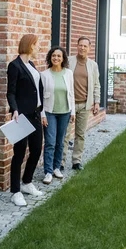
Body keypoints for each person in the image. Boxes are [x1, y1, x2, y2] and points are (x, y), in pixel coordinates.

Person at [6, 34, 46, 206]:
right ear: (30, 46)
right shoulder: (14, 66)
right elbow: (11, 92)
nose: (38, 48)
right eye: (37, 45)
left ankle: (27, 182)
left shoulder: (31, 65)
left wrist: (42, 111)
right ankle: (15, 191)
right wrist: (14, 109)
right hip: (21, 116)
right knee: (19, 153)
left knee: (37, 150)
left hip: (36, 114)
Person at [63, 36, 100, 171]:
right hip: (69, 104)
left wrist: (96, 102)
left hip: (85, 104)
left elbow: (96, 85)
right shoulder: (69, 61)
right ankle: (61, 161)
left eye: (85, 46)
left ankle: (76, 161)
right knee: (65, 134)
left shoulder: (93, 65)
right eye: (80, 45)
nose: (82, 48)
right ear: (77, 46)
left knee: (80, 134)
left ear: (89, 48)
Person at [40, 46, 76, 184]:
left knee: (60, 142)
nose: (56, 58)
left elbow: (71, 93)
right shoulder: (44, 75)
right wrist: (42, 114)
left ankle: (56, 168)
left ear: (63, 59)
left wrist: (72, 111)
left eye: (59, 56)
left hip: (65, 112)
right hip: (49, 112)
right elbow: (40, 97)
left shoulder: (68, 73)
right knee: (50, 142)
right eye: (53, 55)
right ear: (50, 57)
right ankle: (48, 171)